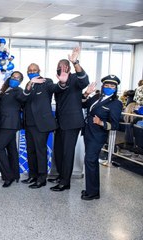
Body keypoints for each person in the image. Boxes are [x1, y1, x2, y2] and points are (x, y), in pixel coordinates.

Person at [21, 63, 68, 189]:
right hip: (28, 124)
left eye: (34, 70)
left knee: (40, 151)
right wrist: (29, 84)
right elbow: (23, 99)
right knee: (30, 151)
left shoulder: (46, 82)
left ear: (39, 70)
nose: (32, 72)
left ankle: (42, 178)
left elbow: (56, 88)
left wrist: (62, 83)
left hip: (41, 125)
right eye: (29, 70)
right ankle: (33, 175)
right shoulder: (28, 85)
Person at [49, 47, 89, 192]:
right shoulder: (61, 81)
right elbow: (59, 91)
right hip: (60, 123)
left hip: (72, 123)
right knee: (59, 151)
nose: (62, 69)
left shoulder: (75, 79)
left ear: (69, 68)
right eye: (59, 67)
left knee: (67, 152)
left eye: (64, 67)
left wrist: (75, 62)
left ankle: (65, 182)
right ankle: (61, 176)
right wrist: (62, 83)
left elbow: (84, 80)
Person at [81, 75, 123, 200]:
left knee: (89, 160)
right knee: (90, 161)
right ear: (103, 86)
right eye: (106, 85)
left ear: (115, 89)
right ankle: (91, 189)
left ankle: (93, 193)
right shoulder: (96, 97)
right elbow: (83, 105)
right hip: (88, 132)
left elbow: (115, 125)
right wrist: (86, 93)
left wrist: (101, 123)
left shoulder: (116, 103)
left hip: (98, 136)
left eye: (112, 86)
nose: (109, 88)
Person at [0, 70, 29, 188]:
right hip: (4, 123)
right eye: (13, 77)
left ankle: (8, 176)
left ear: (20, 82)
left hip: (10, 124)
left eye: (17, 78)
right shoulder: (6, 90)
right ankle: (15, 174)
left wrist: (27, 90)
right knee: (11, 149)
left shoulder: (18, 91)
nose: (14, 79)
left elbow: (23, 98)